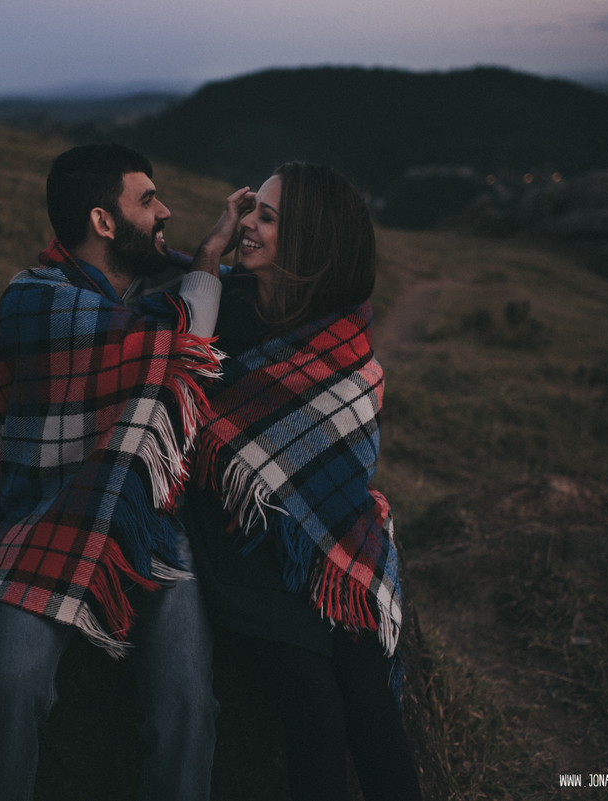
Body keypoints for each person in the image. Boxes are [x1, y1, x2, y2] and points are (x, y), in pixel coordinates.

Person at [0, 144, 248, 801]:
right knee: (9, 685)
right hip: (47, 516)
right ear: (103, 220)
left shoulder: (151, 301)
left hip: (149, 521)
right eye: (148, 200)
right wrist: (207, 260)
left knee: (187, 707)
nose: (165, 209)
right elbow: (187, 348)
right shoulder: (37, 297)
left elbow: (182, 332)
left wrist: (210, 261)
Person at [187, 162, 423, 801]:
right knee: (313, 702)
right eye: (251, 210)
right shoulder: (224, 304)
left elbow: (345, 451)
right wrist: (209, 249)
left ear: (310, 241)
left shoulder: (342, 331)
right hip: (240, 531)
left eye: (267, 216)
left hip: (326, 529)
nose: (249, 227)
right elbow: (185, 379)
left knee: (369, 694)